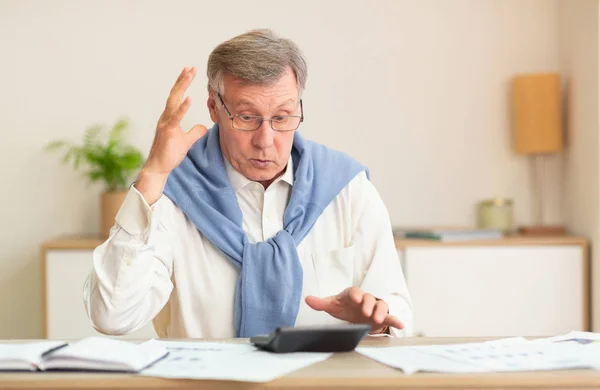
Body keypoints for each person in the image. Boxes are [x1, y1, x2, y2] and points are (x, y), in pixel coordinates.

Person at [83, 29, 412, 338]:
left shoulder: (346, 188)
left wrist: (378, 323)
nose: (266, 140)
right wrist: (153, 175)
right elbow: (112, 317)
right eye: (247, 117)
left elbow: (399, 315)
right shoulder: (172, 192)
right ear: (214, 107)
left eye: (282, 117)